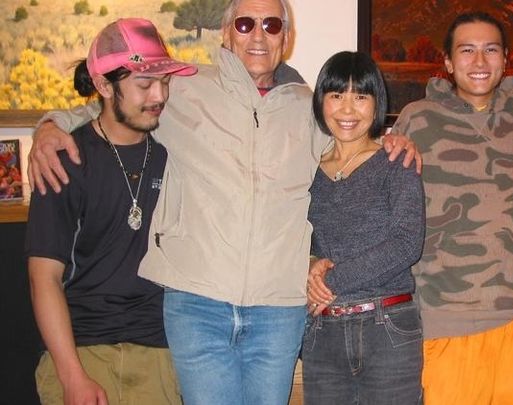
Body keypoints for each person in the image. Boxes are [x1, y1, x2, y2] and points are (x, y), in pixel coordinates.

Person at [28, 1, 420, 403]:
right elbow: (114, 104)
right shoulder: (182, 87)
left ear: (286, 37)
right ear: (226, 32)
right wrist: (51, 126)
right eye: (246, 23)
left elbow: (350, 139)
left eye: (271, 25)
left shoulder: (310, 107)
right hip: (196, 307)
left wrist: (392, 140)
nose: (258, 35)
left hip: (277, 311)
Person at [391, 12, 513, 405]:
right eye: (467, 51)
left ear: (506, 58)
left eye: (491, 50)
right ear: (448, 62)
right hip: (446, 320)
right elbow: (388, 205)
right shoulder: (416, 118)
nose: (480, 61)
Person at [25, 18, 197, 405]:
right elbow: (43, 278)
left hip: (159, 353)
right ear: (103, 85)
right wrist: (72, 377)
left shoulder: (173, 153)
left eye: (164, 82)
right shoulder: (63, 159)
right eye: (144, 84)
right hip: (81, 348)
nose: (159, 96)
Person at [302, 51, 425, 405]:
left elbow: (406, 243)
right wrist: (310, 264)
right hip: (322, 331)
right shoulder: (306, 169)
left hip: (387, 329)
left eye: (360, 96)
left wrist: (332, 281)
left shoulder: (396, 161)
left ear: (376, 103)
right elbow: (294, 237)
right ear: (321, 101)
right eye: (336, 95)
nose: (347, 109)